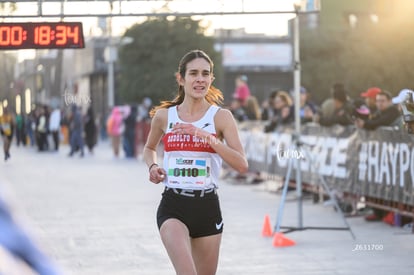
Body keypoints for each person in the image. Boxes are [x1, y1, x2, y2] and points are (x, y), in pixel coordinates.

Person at [143, 49, 248, 275]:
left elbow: (241, 164)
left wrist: (206, 137)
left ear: (211, 79)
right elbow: (149, 148)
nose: (200, 79)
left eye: (205, 74)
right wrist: (152, 166)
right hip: (174, 205)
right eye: (193, 73)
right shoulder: (164, 116)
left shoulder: (221, 117)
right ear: (181, 79)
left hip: (207, 206)